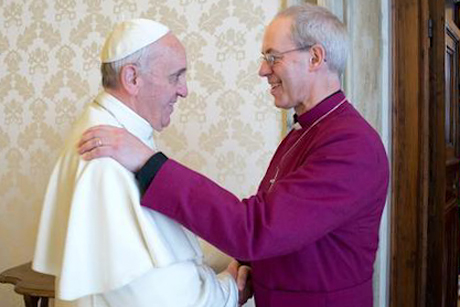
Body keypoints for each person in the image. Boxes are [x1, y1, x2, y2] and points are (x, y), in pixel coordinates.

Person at [78, 4, 389, 307]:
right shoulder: (308, 129)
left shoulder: (351, 145)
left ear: (315, 57)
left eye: (273, 57)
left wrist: (149, 164)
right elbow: (286, 226)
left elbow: (258, 228)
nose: (263, 70)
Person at [33, 19, 249, 307]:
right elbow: (158, 297)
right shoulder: (105, 157)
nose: (184, 90)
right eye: (176, 77)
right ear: (132, 78)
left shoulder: (116, 134)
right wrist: (232, 289)